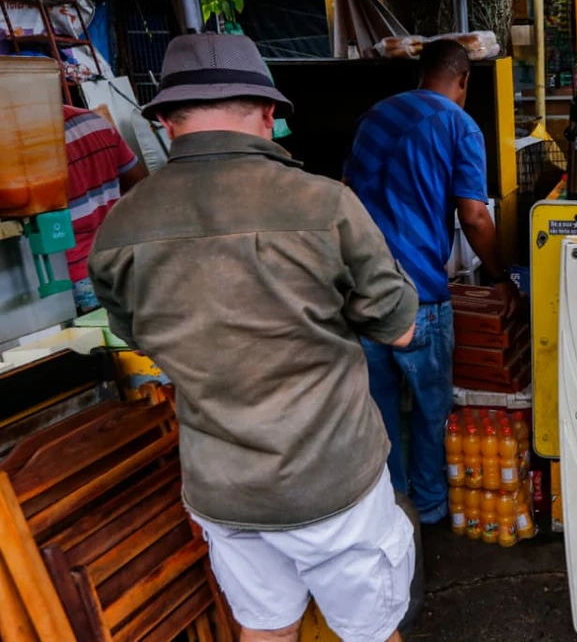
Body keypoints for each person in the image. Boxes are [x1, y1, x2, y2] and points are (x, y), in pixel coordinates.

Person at [89, 34, 420, 642]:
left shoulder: (121, 225)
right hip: (330, 480)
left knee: (264, 631)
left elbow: (137, 336)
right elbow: (400, 330)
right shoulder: (326, 204)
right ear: (269, 113)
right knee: (370, 635)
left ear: (165, 120)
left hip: (224, 489)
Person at [344, 39, 519, 526]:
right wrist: (502, 278)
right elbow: (476, 216)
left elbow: (346, 199)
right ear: (464, 80)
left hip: (362, 293)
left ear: (420, 73)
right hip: (420, 295)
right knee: (430, 408)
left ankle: (391, 507)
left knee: (379, 411)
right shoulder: (458, 125)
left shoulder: (373, 117)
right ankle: (432, 509)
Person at [62, 105, 147, 312]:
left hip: (67, 279)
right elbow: (142, 189)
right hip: (120, 262)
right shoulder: (93, 121)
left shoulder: (17, 142)